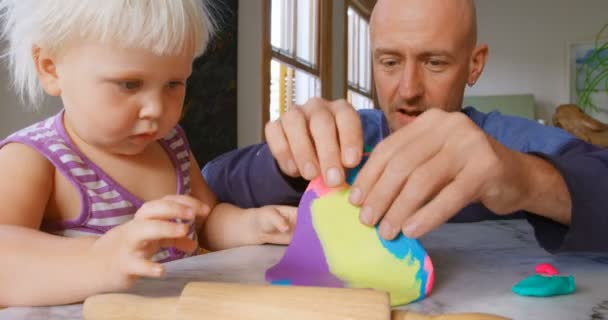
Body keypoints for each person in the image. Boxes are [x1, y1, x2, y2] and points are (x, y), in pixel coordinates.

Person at [203, 0, 608, 254]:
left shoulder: (513, 141)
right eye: (390, 62)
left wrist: (527, 180)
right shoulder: (349, 137)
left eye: (435, 62)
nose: (408, 90)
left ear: (474, 64)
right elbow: (208, 184)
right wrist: (286, 163)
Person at [0, 0, 296, 307]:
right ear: (50, 68)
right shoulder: (35, 158)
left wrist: (251, 224)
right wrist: (100, 258)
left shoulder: (171, 145)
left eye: (173, 83)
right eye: (130, 84)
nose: (156, 109)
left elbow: (206, 222)